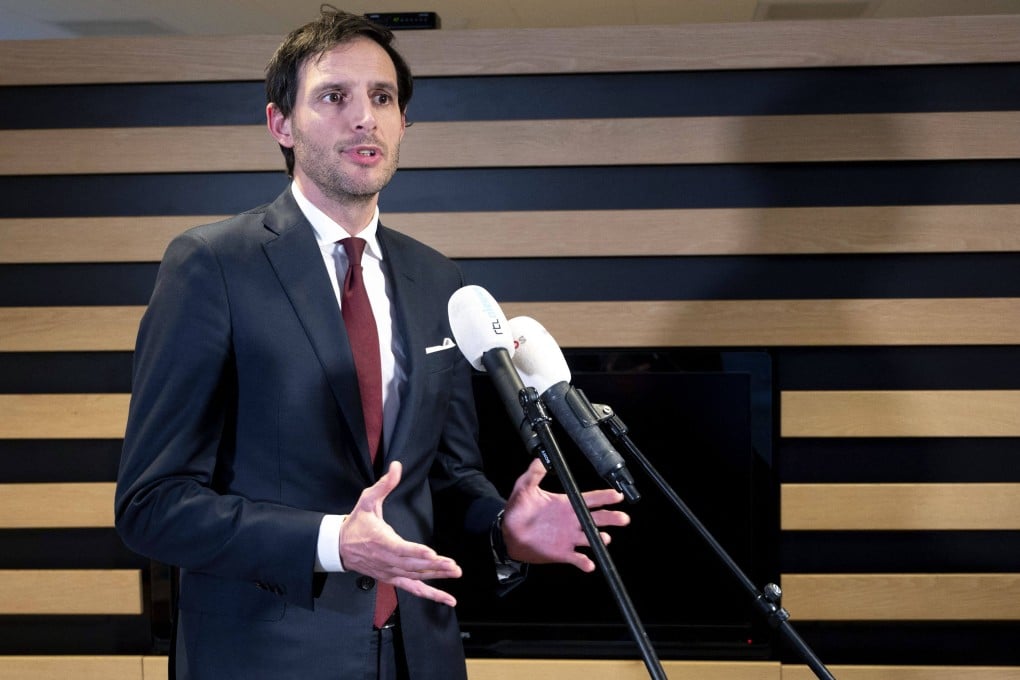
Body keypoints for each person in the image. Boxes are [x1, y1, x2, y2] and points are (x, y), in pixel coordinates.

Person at [114, 6, 630, 680]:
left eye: (382, 98)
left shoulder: (435, 278)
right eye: (335, 96)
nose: (365, 117)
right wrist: (333, 541)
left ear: (403, 124)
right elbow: (151, 506)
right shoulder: (211, 265)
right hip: (267, 657)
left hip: (423, 654)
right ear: (281, 123)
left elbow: (444, 479)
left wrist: (503, 523)